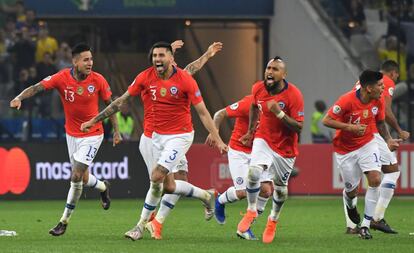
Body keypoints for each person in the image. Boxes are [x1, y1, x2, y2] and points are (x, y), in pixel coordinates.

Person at [80, 41, 228, 241]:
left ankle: (141, 226)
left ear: (171, 58)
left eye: (162, 55)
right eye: (155, 56)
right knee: (167, 186)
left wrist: (218, 139)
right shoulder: (144, 77)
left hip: (179, 136)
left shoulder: (184, 79)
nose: (157, 59)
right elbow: (121, 101)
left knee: (157, 176)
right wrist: (94, 120)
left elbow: (202, 112)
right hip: (151, 137)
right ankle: (207, 196)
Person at [10, 43, 121, 236]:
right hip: (72, 135)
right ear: (75, 61)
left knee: (76, 176)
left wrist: (117, 131)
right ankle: (103, 186)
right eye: (85, 59)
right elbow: (37, 87)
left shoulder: (99, 80)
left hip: (93, 134)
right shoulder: (61, 78)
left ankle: (64, 221)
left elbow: (110, 106)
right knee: (85, 179)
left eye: (91, 59)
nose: (90, 63)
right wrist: (19, 97)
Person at [322, 70, 401, 239]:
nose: (383, 88)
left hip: (367, 144)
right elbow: (326, 120)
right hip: (345, 150)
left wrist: (387, 139)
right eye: (380, 86)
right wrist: (349, 127)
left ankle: (365, 225)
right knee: (352, 190)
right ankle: (350, 204)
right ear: (368, 88)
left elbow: (380, 122)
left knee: (375, 179)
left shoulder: (377, 100)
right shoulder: (346, 100)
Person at [236, 57, 304, 244]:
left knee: (280, 190)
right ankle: (251, 210)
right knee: (254, 172)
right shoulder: (258, 88)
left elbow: (299, 127)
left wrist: (279, 113)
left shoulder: (294, 95)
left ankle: (272, 219)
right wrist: (250, 131)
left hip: (285, 148)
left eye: (275, 69)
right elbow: (252, 106)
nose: (270, 72)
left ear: (284, 74)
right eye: (268, 68)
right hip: (263, 138)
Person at [344, 61, 410, 234]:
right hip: (371, 130)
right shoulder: (386, 81)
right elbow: (385, 110)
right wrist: (398, 130)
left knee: (356, 180)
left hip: (355, 128)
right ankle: (376, 218)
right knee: (392, 171)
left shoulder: (365, 82)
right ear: (394, 73)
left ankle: (351, 226)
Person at [207, 95, 273, 240]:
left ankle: (245, 227)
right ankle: (220, 201)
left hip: (259, 151)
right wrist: (215, 131)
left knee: (267, 190)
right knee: (243, 192)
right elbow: (220, 113)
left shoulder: (274, 105)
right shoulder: (248, 103)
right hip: (239, 151)